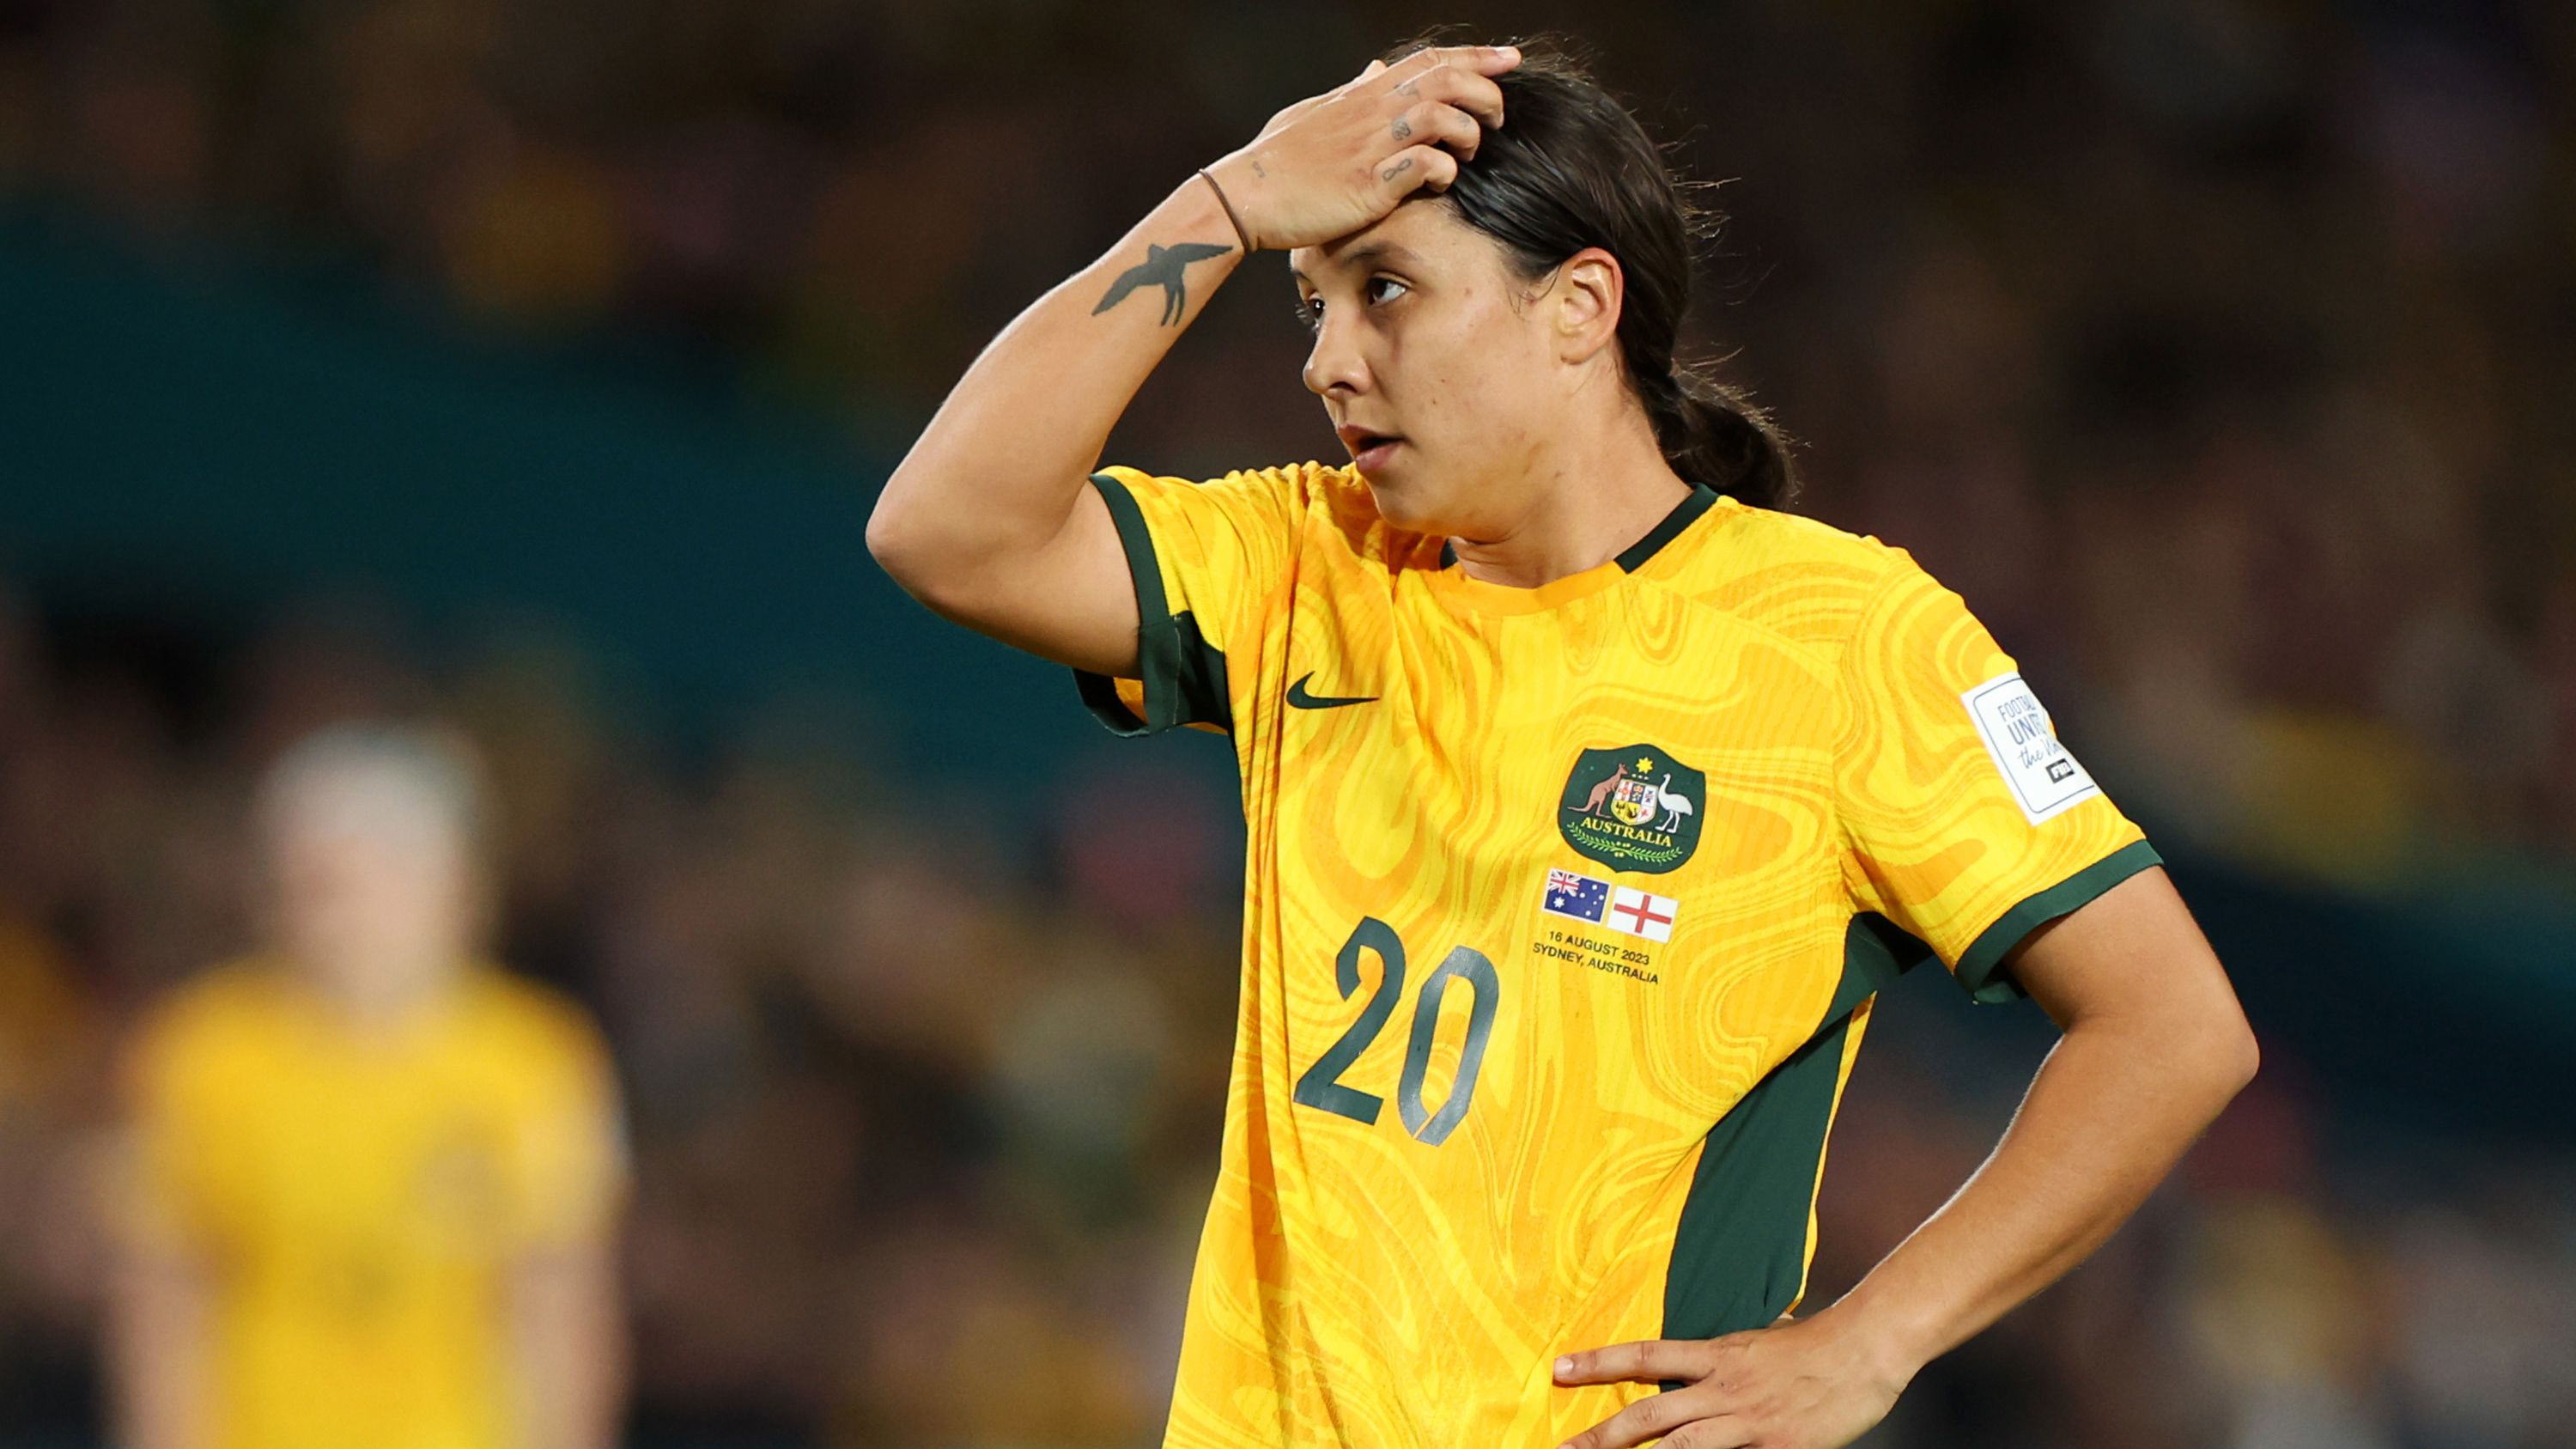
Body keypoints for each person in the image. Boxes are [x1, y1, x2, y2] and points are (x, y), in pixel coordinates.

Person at [867, 37, 2258, 1449]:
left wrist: (1869, 1343)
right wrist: (1225, 200)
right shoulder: (1314, 564)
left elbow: (2172, 1024)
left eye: (1386, 292)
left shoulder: (1846, 638)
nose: (1327, 361)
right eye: (1310, 302)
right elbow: (945, 528)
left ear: (1579, 306)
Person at [106, 724, 627, 1449]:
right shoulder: (204, 1053)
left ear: (458, 888)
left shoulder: (534, 1063)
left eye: (384, 874)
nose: (346, 915)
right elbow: (164, 1303)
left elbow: (558, 1311)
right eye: (316, 883)